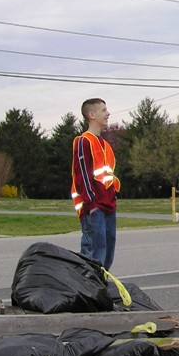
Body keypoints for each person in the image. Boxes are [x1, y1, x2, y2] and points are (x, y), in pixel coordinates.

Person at [71, 98, 121, 270]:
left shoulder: (105, 145)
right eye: (104, 110)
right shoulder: (83, 141)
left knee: (107, 252)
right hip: (94, 207)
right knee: (93, 253)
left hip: (108, 206)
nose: (108, 113)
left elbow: (107, 176)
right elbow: (82, 175)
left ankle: (101, 287)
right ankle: (87, 289)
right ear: (91, 115)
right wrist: (91, 204)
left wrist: (113, 199)